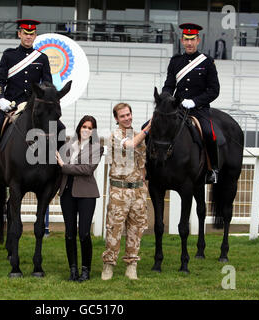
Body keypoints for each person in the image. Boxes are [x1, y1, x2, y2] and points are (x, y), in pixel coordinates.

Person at [0, 19, 53, 185]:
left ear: (35, 36)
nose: (28, 37)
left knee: (55, 128)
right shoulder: (9, 55)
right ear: (19, 34)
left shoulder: (42, 58)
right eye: (25, 33)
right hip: (10, 106)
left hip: (32, 108)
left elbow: (48, 85)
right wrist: (1, 99)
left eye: (31, 34)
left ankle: (53, 169)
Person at [162, 23, 220, 184]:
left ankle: (212, 169)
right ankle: (154, 165)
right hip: (177, 108)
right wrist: (166, 99)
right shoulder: (175, 61)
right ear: (182, 40)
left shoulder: (207, 62)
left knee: (209, 133)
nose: (189, 43)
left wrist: (194, 102)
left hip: (199, 109)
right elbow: (169, 85)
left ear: (198, 40)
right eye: (186, 39)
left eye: (192, 39)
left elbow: (214, 90)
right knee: (153, 126)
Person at [101, 103, 151, 280]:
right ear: (116, 119)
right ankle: (109, 265)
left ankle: (132, 265)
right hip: (119, 190)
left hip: (137, 190)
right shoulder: (114, 136)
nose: (127, 118)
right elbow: (130, 145)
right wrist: (148, 128)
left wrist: (143, 187)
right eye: (122, 116)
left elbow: (142, 164)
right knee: (114, 230)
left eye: (128, 114)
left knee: (135, 230)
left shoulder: (139, 136)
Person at [56, 115, 104, 282]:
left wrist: (65, 166)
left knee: (83, 233)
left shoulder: (98, 148)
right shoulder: (68, 146)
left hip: (86, 195)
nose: (86, 130)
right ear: (79, 127)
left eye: (90, 128)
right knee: (69, 234)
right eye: (84, 126)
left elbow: (87, 169)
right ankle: (73, 270)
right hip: (67, 193)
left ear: (93, 131)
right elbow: (57, 164)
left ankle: (86, 270)